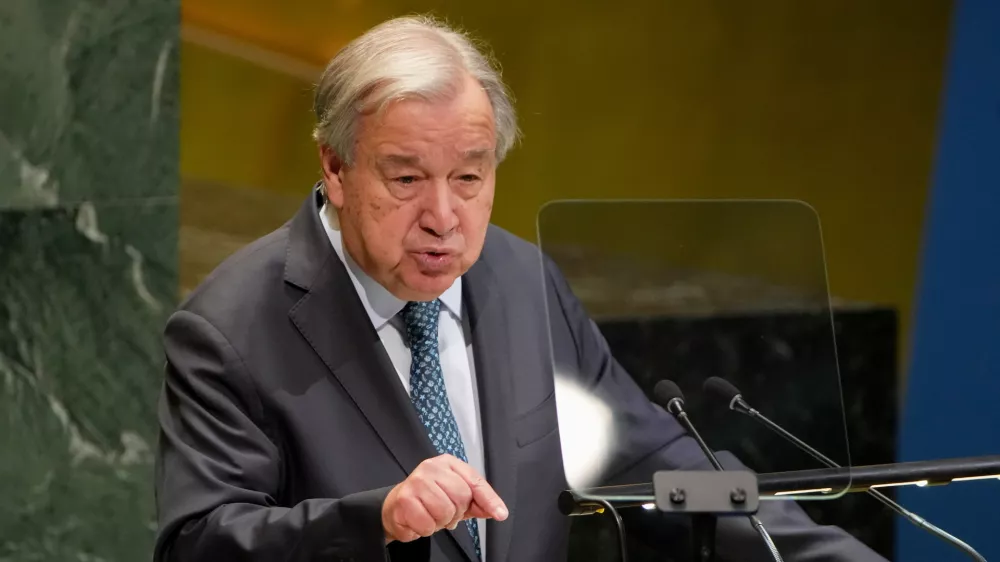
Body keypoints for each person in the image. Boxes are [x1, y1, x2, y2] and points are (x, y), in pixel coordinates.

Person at [154, 15, 887, 562]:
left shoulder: (520, 281)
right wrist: (375, 518)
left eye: (470, 178)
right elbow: (199, 543)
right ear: (335, 169)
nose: (443, 217)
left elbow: (655, 469)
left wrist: (821, 555)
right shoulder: (231, 328)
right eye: (406, 179)